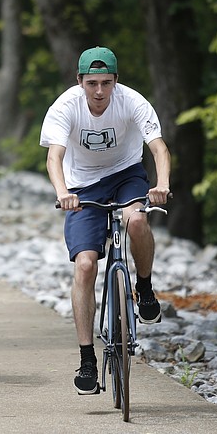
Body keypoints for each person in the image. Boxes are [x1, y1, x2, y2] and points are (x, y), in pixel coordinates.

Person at [39, 47, 171, 394]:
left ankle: (143, 287)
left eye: (107, 83)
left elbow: (158, 148)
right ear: (80, 81)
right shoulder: (66, 107)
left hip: (126, 173)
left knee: (137, 221)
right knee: (84, 265)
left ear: (116, 82)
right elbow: (55, 157)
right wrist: (62, 191)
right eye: (92, 83)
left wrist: (162, 185)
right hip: (82, 184)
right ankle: (87, 359)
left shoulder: (133, 102)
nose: (99, 92)